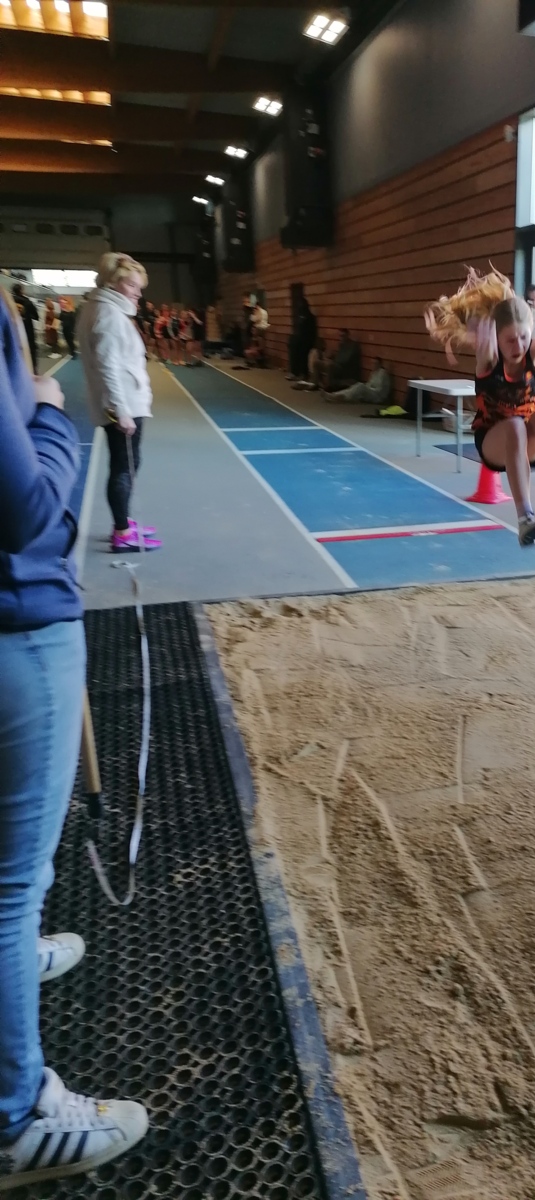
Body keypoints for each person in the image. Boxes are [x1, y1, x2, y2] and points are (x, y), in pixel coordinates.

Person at [0, 288, 149, 1192]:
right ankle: (14, 1119)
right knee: (11, 883)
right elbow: (28, 508)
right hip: (15, 615)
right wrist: (50, 418)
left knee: (11, 886)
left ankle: (15, 957)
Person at [427, 268, 535, 547]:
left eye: (524, 337)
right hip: (494, 441)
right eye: (510, 340)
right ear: (497, 339)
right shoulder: (489, 358)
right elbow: (485, 346)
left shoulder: (534, 351)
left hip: (528, 440)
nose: (519, 346)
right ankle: (525, 518)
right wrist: (479, 331)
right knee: (515, 424)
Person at [77, 253, 162, 553]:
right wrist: (121, 411)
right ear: (112, 283)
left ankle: (123, 522)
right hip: (123, 404)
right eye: (132, 285)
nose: (138, 293)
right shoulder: (109, 316)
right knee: (124, 468)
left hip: (124, 401)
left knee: (126, 464)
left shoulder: (102, 308)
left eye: (139, 287)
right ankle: (123, 533)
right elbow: (108, 366)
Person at [325, 358, 392, 405]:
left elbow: (379, 390)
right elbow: (369, 384)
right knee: (355, 386)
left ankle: (341, 397)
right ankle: (334, 395)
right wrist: (367, 387)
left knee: (360, 386)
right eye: (373, 363)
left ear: (380, 364)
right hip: (372, 392)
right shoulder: (373, 373)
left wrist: (367, 388)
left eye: (376, 363)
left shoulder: (382, 373)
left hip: (377, 396)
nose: (374, 365)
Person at [286, 290, 317, 383]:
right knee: (294, 349)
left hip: (307, 341)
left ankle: (303, 374)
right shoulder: (300, 316)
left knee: (303, 354)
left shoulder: (310, 317)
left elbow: (312, 331)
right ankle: (295, 372)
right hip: (301, 340)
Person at [11, 284, 38, 373]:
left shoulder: (9, 301)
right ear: (21, 290)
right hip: (27, 328)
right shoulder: (27, 302)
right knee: (30, 350)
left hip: (14, 329)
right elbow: (36, 316)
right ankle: (33, 370)